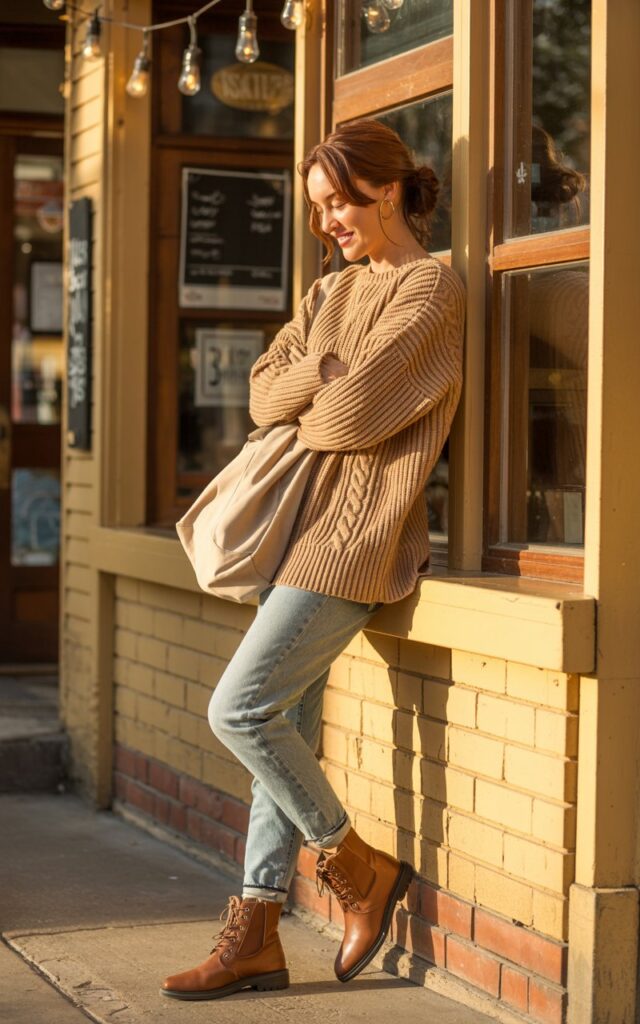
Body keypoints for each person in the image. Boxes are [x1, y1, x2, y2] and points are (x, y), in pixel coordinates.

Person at [161, 118, 466, 1001]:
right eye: (319, 208)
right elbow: (263, 398)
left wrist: (316, 385)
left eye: (342, 200)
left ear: (393, 187)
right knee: (276, 726)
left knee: (241, 712)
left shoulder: (428, 293)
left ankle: (356, 866)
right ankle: (256, 930)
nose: (330, 221)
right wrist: (323, 371)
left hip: (356, 543)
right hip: (299, 541)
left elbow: (347, 419)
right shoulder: (332, 294)